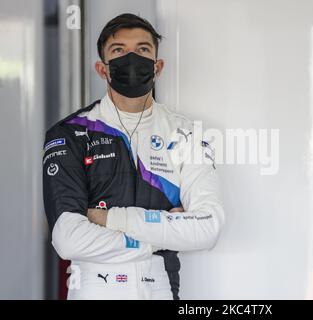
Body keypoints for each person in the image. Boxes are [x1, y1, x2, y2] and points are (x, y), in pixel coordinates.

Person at [42, 13, 225, 300]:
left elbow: (207, 228)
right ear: (103, 69)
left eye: (142, 50)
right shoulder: (69, 133)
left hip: (162, 287)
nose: (131, 58)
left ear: (158, 66)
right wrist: (158, 238)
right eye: (119, 51)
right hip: (94, 288)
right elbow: (68, 239)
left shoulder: (185, 132)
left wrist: (110, 218)